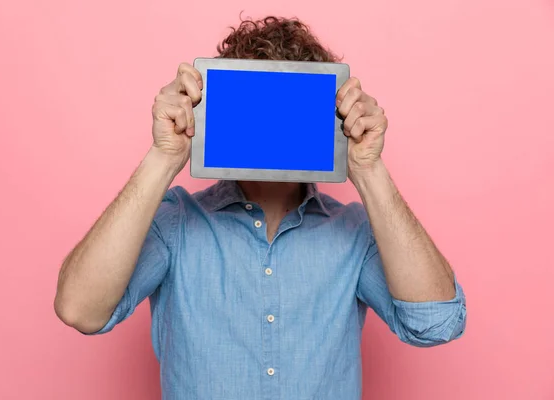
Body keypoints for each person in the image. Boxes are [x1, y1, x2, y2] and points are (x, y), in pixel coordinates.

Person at [54, 16, 466, 400]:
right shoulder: (176, 223)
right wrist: (163, 157)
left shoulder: (353, 232)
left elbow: (435, 322)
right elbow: (80, 310)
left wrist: (369, 168)